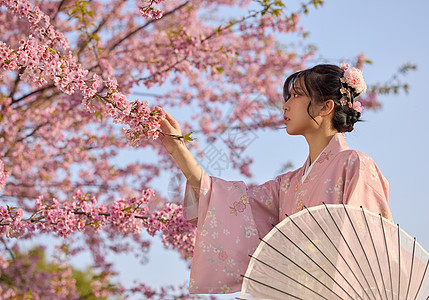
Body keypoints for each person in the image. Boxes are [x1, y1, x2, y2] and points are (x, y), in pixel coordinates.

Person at [158, 64, 392, 294]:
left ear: (325, 107)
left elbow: (366, 252)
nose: (286, 105)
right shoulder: (287, 185)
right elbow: (232, 204)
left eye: (296, 95)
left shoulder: (354, 165)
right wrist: (179, 149)